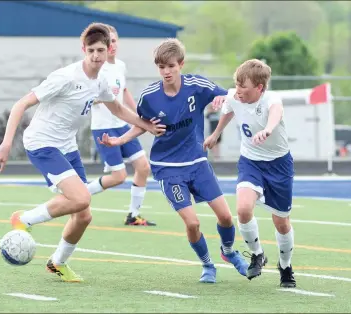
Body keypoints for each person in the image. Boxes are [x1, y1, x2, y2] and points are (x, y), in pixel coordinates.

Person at [0, 23, 165, 282]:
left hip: (67, 145)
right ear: (83, 49)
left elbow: (117, 109)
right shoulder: (65, 77)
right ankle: (23, 218)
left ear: (108, 51)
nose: (96, 55)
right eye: (92, 50)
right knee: (82, 198)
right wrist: (6, 143)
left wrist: (146, 125)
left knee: (84, 214)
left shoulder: (102, 80)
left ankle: (58, 262)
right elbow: (21, 104)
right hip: (42, 143)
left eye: (101, 50)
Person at [98, 38, 248, 283]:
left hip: (197, 163)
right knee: (193, 223)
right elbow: (142, 124)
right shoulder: (149, 96)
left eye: (170, 66)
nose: (166, 72)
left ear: (181, 64)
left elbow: (230, 95)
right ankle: (208, 265)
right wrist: (119, 141)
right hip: (168, 169)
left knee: (226, 217)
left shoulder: (197, 85)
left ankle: (229, 252)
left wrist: (223, 99)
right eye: (161, 67)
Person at [203, 59, 296, 288]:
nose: (239, 90)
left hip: (279, 165)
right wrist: (215, 134)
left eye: (244, 86)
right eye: (237, 84)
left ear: (259, 88)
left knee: (281, 222)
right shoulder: (235, 96)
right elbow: (228, 111)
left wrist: (268, 129)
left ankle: (285, 266)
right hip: (250, 162)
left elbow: (275, 113)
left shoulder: (271, 99)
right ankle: (257, 254)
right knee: (243, 209)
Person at [87, 24, 155, 226]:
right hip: (103, 128)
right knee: (118, 177)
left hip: (122, 125)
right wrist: (97, 99)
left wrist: (140, 116)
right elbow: (88, 96)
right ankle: (78, 195)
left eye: (114, 40)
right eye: (108, 41)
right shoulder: (96, 68)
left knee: (143, 167)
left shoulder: (120, 66)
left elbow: (124, 92)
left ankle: (133, 215)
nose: (112, 45)